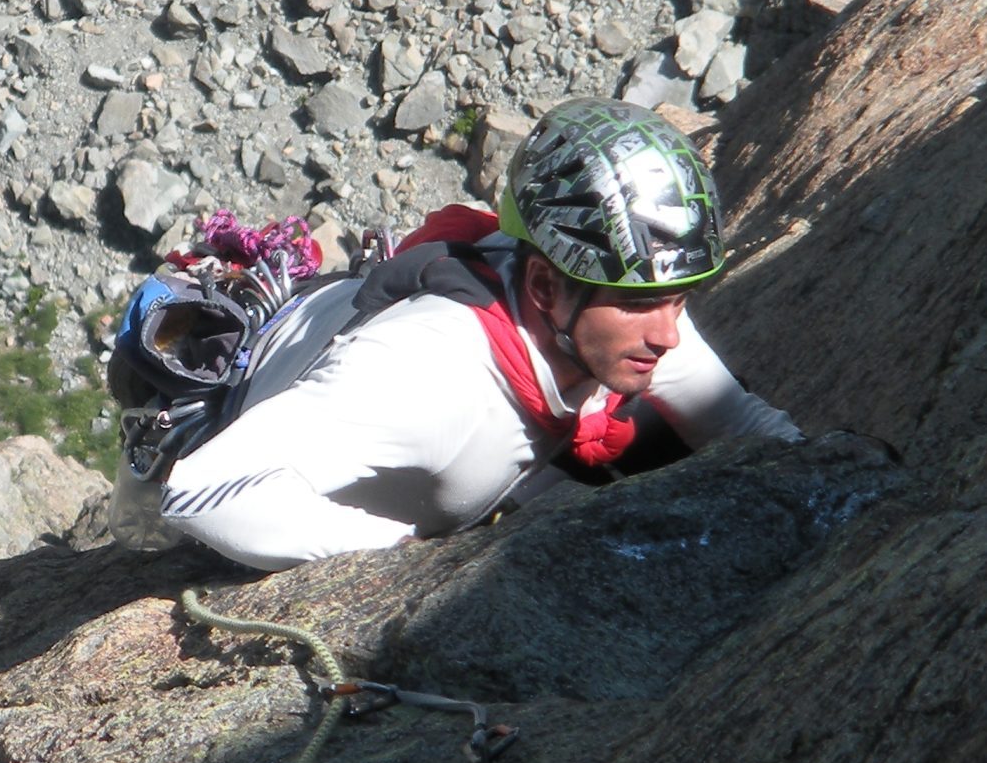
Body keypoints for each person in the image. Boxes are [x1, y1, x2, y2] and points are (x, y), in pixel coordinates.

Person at [149, 98, 798, 571]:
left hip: (459, 444)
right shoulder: (428, 374)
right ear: (545, 287)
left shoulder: (613, 307)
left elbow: (738, 421)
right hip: (282, 415)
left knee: (655, 457)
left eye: (677, 301)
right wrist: (404, 557)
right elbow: (202, 490)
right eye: (638, 305)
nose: (668, 335)